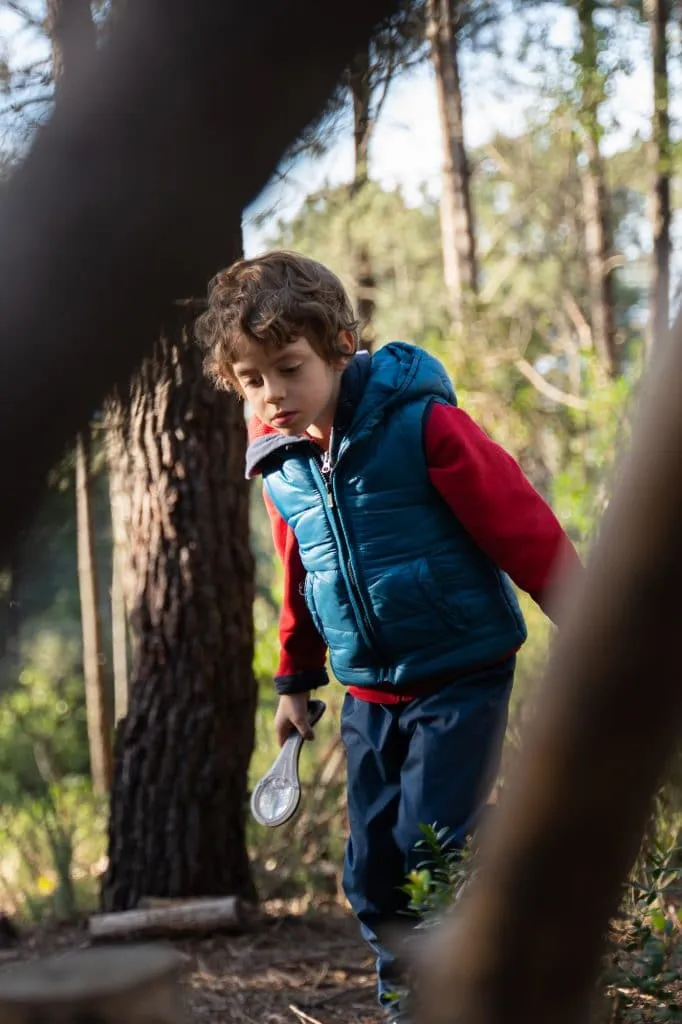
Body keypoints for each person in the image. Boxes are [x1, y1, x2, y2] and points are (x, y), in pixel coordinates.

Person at [195, 250, 581, 1023]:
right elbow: (303, 576)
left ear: (340, 344)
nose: (274, 395)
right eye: (253, 380)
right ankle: (407, 989)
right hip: (369, 688)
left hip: (461, 670)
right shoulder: (282, 468)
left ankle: (464, 991)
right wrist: (295, 682)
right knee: (372, 865)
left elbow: (522, 526)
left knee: (431, 845)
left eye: (289, 368)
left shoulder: (422, 425)